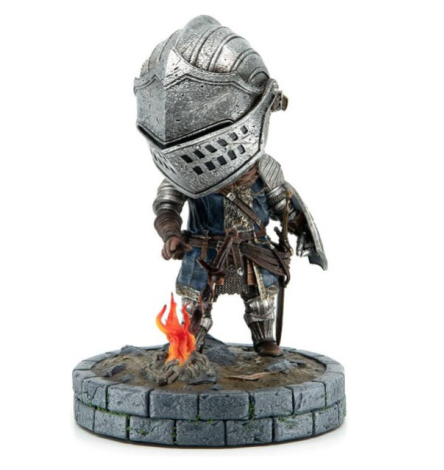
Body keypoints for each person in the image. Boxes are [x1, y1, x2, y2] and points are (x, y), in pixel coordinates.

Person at [135, 15, 327, 356]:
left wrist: (296, 229)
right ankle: (189, 346)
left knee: (261, 300)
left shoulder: (264, 168)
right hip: (204, 248)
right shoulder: (187, 167)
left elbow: (283, 206)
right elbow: (166, 205)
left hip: (253, 248)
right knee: (194, 304)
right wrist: (171, 234)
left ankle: (264, 339)